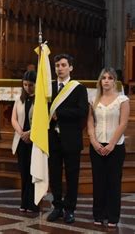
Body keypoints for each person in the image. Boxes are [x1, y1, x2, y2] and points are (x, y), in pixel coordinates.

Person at [46, 54, 88, 224]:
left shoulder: (79, 89)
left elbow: (82, 111)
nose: (60, 68)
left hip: (71, 139)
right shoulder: (49, 88)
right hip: (53, 139)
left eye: (63, 65)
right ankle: (57, 206)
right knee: (55, 175)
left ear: (71, 67)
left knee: (72, 176)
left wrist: (60, 114)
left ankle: (70, 209)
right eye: (57, 65)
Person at [87, 67, 129, 228]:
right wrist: (94, 141)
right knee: (98, 182)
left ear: (114, 81)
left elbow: (123, 123)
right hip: (96, 146)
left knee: (113, 182)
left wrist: (111, 144)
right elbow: (90, 123)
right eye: (103, 77)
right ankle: (98, 214)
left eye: (110, 78)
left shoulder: (122, 100)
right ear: (100, 81)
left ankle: (112, 216)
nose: (106, 80)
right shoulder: (93, 99)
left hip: (115, 147)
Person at [11, 70, 39, 212]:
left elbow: (42, 121)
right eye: (25, 84)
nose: (28, 88)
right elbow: (13, 119)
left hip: (35, 140)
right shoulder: (19, 98)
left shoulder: (40, 100)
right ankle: (24, 202)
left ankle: (33, 203)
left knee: (33, 172)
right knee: (23, 172)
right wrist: (21, 133)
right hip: (21, 139)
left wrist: (30, 133)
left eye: (31, 85)